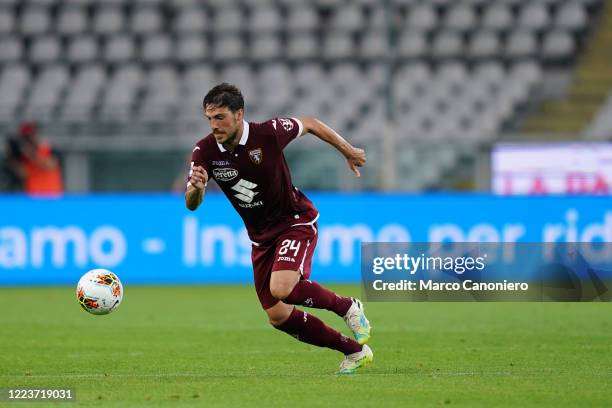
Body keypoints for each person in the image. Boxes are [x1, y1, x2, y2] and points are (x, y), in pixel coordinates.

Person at [185, 83, 372, 374]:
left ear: (239, 114)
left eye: (220, 117)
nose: (214, 125)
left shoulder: (268, 133)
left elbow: (309, 124)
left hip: (295, 220)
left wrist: (347, 150)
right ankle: (355, 351)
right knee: (278, 315)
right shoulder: (205, 151)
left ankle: (348, 307)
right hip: (261, 239)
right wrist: (196, 188)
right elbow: (192, 204)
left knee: (282, 288)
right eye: (209, 119)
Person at [17, 122, 63, 196]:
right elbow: (22, 173)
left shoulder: (48, 149)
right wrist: (11, 156)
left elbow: (50, 166)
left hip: (51, 195)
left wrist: (31, 154)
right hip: (33, 196)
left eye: (31, 135)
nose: (29, 139)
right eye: (26, 137)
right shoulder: (23, 155)